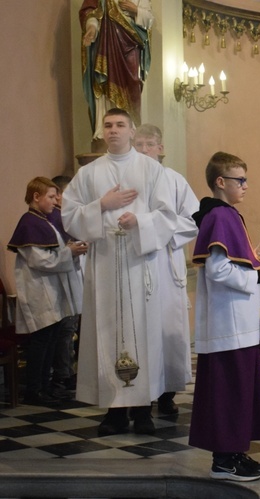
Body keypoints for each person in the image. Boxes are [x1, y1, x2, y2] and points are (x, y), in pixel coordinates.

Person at [62, 108, 177, 436]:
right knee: (107, 333)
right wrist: (102, 205)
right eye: (108, 125)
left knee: (143, 332)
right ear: (103, 132)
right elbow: (69, 215)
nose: (113, 130)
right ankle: (113, 410)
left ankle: (143, 410)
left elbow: (168, 215)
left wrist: (139, 221)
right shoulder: (89, 174)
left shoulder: (151, 169)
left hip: (139, 265)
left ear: (131, 131)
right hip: (104, 266)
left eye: (120, 125)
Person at [189, 152, 260, 482]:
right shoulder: (220, 217)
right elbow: (219, 271)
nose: (245, 186)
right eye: (240, 180)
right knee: (228, 393)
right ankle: (223, 462)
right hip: (227, 325)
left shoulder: (227, 215)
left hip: (238, 324)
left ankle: (235, 454)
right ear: (221, 182)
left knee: (240, 392)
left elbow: (242, 266)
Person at [134, 124, 199, 416]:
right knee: (139, 332)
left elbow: (194, 217)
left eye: (149, 144)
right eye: (139, 145)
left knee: (168, 330)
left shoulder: (174, 180)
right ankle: (137, 395)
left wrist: (161, 233)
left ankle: (167, 393)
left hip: (166, 262)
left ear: (161, 148)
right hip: (136, 264)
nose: (144, 150)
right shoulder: (126, 182)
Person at [7, 177, 88, 406]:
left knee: (51, 339)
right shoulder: (29, 223)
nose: (55, 201)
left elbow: (56, 253)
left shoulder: (44, 221)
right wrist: (69, 252)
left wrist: (73, 251)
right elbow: (39, 260)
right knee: (41, 341)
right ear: (36, 196)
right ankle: (34, 390)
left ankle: (47, 385)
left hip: (51, 289)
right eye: (51, 197)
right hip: (38, 290)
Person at [80, 0, 153, 143]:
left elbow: (149, 20)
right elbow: (91, 11)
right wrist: (92, 27)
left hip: (131, 46)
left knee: (132, 86)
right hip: (105, 45)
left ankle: (129, 129)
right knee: (104, 85)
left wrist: (136, 10)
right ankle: (102, 129)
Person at [49, 175, 81, 394]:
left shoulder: (68, 217)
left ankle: (68, 371)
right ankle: (63, 374)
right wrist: (72, 250)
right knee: (65, 330)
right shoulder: (53, 219)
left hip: (75, 277)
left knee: (72, 329)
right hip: (58, 283)